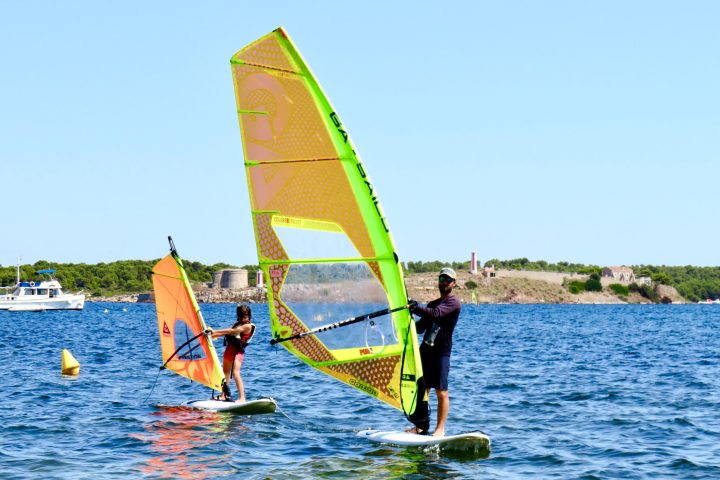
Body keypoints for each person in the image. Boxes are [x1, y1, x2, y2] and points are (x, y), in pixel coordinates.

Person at [409, 267, 461, 437]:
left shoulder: (453, 303)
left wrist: (416, 308)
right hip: (425, 352)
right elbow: (419, 328)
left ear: (453, 283)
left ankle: (440, 429)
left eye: (447, 279)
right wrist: (406, 317)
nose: (444, 282)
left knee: (442, 392)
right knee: (423, 390)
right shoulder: (432, 304)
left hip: (441, 353)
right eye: (441, 279)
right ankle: (421, 427)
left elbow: (437, 314)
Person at [210, 304, 255, 402]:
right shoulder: (238, 323)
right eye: (242, 316)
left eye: (246, 316)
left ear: (249, 315)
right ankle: (223, 395)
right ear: (238, 316)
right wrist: (211, 335)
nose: (244, 318)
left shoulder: (247, 326)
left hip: (238, 353)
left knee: (235, 373)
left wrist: (214, 331)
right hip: (229, 350)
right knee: (224, 373)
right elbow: (227, 333)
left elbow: (232, 331)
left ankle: (242, 398)